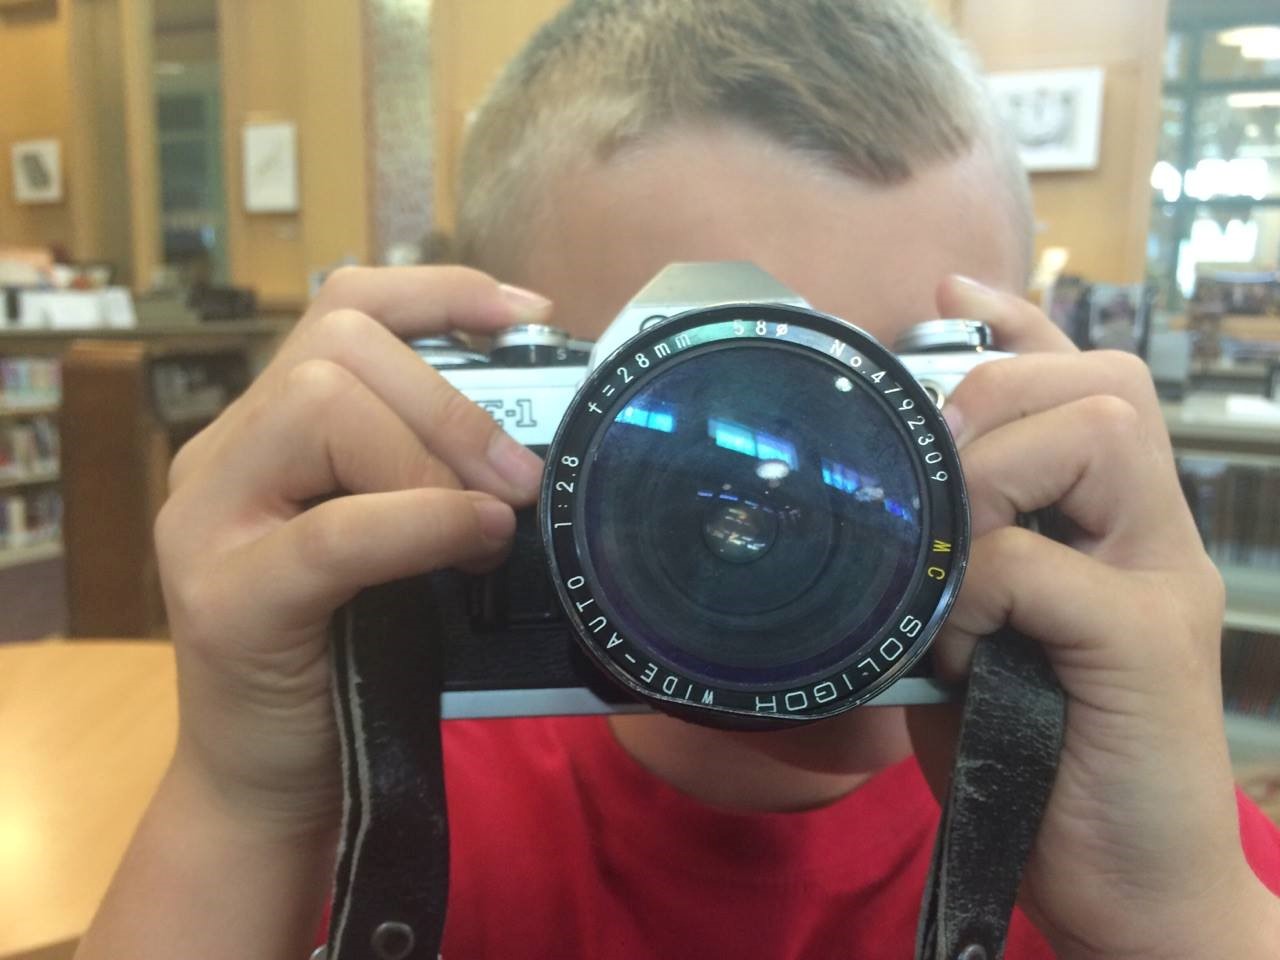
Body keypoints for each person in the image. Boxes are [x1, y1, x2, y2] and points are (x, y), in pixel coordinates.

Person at [77, 1, 1280, 958]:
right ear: (486, 411)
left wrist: (1167, 922)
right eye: (677, 416)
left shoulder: (1115, 807)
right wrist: (241, 799)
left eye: (890, 405)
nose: (791, 504)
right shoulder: (370, 774)